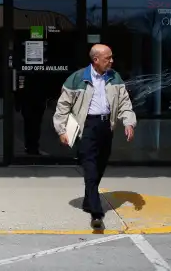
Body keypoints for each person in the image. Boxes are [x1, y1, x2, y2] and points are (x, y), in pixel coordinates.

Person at [53, 44, 136, 229]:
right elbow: (62, 107)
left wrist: (128, 122)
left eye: (111, 57)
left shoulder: (115, 77)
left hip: (106, 126)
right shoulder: (77, 79)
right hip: (87, 127)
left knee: (99, 166)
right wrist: (61, 130)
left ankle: (87, 201)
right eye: (108, 58)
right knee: (89, 168)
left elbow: (124, 103)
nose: (112, 61)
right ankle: (96, 213)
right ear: (95, 60)